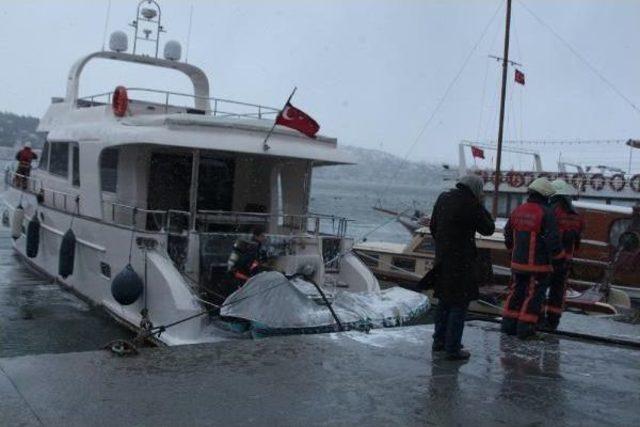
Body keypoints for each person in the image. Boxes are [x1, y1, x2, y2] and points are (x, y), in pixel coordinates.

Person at [428, 174, 495, 360]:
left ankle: (439, 342)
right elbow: (488, 228)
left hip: (442, 259)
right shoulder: (471, 203)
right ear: (476, 189)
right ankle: (453, 348)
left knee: (443, 302)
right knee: (459, 304)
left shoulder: (444, 198)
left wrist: (444, 245)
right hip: (462, 262)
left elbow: (433, 227)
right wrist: (481, 204)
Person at [501, 177, 565, 339]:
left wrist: (513, 252)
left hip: (517, 264)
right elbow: (553, 240)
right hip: (538, 267)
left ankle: (508, 326)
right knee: (533, 297)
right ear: (545, 195)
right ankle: (525, 330)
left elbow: (508, 234)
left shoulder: (519, 210)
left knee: (516, 293)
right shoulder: (546, 213)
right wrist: (560, 260)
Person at [542, 179, 584, 331]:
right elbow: (577, 240)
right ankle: (553, 322)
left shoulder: (551, 211)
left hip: (550, 260)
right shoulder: (576, 215)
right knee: (558, 293)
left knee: (540, 290)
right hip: (566, 261)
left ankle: (538, 320)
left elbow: (548, 236)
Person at [226, 224, 268, 289]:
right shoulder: (249, 249)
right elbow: (234, 270)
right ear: (256, 236)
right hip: (243, 283)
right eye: (262, 236)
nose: (264, 238)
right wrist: (249, 279)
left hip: (250, 281)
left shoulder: (259, 250)